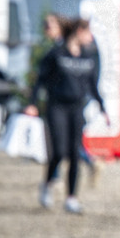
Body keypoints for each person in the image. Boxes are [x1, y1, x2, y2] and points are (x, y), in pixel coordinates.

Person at [25, 17, 109, 213]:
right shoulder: (56, 54)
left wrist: (103, 109)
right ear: (78, 32)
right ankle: (47, 184)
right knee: (59, 151)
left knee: (74, 152)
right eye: (88, 32)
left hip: (76, 108)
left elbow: (92, 86)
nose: (91, 37)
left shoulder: (87, 57)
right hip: (57, 107)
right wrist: (32, 104)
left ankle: (71, 197)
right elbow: (40, 81)